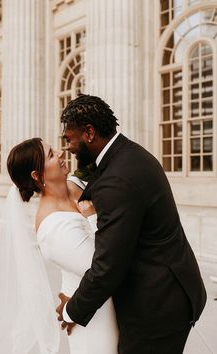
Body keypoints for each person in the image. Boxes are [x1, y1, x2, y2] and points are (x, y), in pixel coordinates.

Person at [57, 94, 207, 354]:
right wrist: (72, 180)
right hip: (175, 287)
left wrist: (72, 310)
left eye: (68, 139)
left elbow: (108, 266)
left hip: (157, 308)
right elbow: (93, 171)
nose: (66, 148)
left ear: (89, 133)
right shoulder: (127, 153)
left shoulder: (116, 180)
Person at [0, 137, 118, 354]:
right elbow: (104, 265)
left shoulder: (74, 184)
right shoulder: (53, 228)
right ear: (37, 175)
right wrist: (92, 218)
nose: (60, 153)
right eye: (51, 154)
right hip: (95, 319)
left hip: (113, 305)